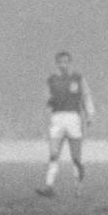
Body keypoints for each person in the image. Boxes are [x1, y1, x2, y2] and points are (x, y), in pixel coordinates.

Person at [35, 51, 95, 196]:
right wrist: (44, 119)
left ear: (70, 63)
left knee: (76, 157)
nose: (63, 65)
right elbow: (47, 101)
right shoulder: (51, 80)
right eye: (60, 62)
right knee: (54, 154)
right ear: (56, 64)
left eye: (66, 62)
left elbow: (86, 96)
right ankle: (49, 186)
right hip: (57, 118)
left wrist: (90, 114)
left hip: (73, 118)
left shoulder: (78, 79)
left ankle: (78, 188)